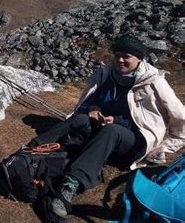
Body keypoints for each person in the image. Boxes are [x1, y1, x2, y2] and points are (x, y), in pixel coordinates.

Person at [28, 36, 185, 219]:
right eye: (117, 55)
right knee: (80, 120)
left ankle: (70, 185)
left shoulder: (154, 82)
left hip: (134, 139)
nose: (120, 60)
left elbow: (180, 118)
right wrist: (94, 110)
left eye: (126, 56)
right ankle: (33, 147)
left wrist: (162, 150)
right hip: (104, 130)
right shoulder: (106, 74)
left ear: (139, 59)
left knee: (112, 131)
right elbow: (88, 102)